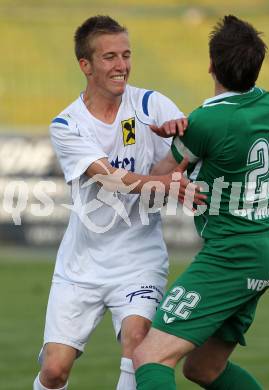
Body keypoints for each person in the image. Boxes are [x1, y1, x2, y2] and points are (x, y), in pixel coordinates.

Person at [33, 15, 203, 390]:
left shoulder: (151, 104)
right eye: (109, 57)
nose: (121, 65)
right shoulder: (66, 125)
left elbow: (188, 148)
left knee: (137, 342)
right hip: (81, 265)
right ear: (85, 65)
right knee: (55, 371)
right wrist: (166, 185)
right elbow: (110, 179)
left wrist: (179, 141)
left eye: (126, 55)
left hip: (139, 260)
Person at [133, 15, 269, 390]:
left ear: (211, 65)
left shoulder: (206, 122)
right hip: (262, 250)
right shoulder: (268, 103)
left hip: (229, 255)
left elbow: (157, 178)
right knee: (204, 369)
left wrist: (172, 137)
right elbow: (219, 135)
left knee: (149, 355)